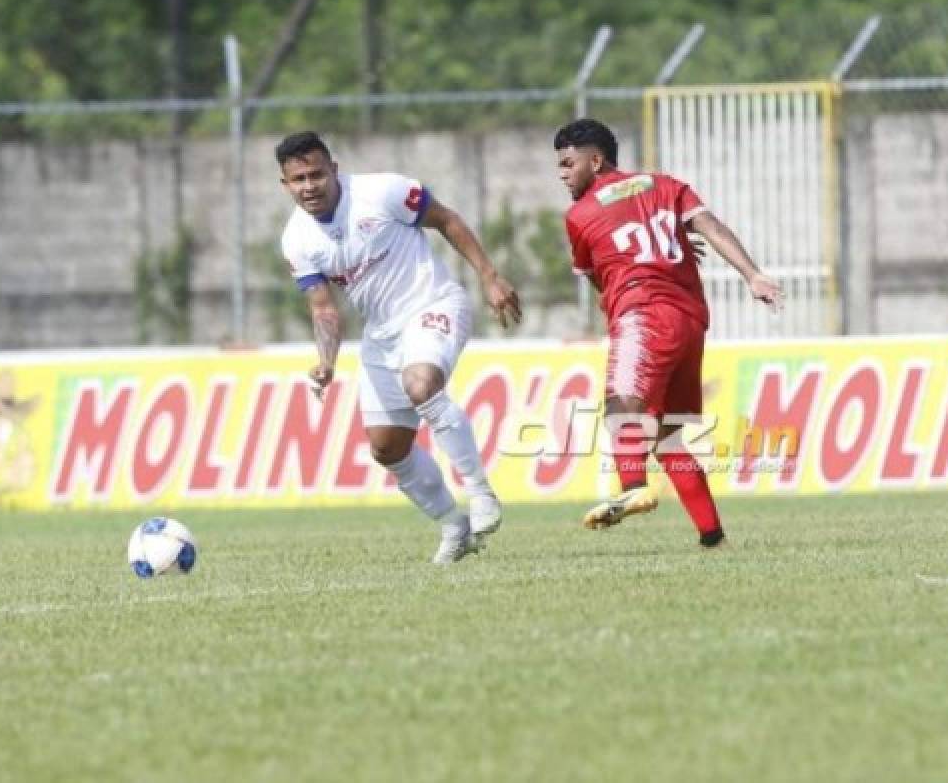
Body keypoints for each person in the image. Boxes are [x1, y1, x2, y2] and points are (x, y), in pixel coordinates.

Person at [276, 131, 521, 563]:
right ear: (285, 184)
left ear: (334, 168)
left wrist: (488, 275)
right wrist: (326, 362)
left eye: (316, 174)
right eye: (298, 179)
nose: (309, 186)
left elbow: (446, 220)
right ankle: (453, 525)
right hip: (381, 335)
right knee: (387, 448)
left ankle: (481, 494)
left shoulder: (383, 191)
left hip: (433, 304)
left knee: (421, 384)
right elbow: (323, 310)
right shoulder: (297, 240)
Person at [553, 118, 783, 548]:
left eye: (568, 163)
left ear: (596, 160)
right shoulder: (665, 185)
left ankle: (633, 486)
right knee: (665, 432)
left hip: (642, 314)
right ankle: (712, 535)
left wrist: (626, 282)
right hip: (690, 319)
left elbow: (598, 277)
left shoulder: (580, 215)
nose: (562, 173)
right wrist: (753, 275)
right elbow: (712, 228)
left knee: (621, 408)